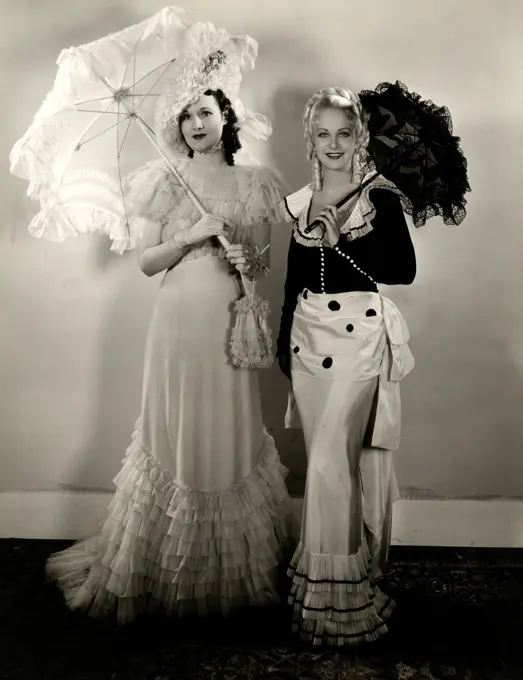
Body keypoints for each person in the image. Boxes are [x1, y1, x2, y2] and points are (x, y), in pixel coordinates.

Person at [46, 32, 298, 624]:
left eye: (205, 113)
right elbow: (147, 262)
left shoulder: (253, 183)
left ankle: (231, 570)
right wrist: (188, 235)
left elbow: (262, 264)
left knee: (228, 426)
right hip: (176, 322)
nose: (195, 125)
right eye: (186, 117)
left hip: (226, 327)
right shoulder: (162, 181)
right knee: (176, 424)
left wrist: (242, 255)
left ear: (225, 116)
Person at [276, 87, 416, 646]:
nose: (333, 145)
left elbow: (401, 270)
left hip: (359, 337)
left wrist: (342, 246)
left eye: (344, 133)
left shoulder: (378, 199)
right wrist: (285, 340)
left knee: (333, 463)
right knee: (324, 461)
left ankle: (340, 593)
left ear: (359, 138)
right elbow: (292, 281)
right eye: (322, 134)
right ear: (309, 139)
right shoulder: (298, 202)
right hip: (309, 340)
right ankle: (327, 578)